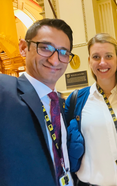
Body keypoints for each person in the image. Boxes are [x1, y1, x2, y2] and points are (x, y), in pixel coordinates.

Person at [0, 18, 74, 186]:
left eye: (63, 52)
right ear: (24, 48)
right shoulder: (5, 91)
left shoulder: (61, 105)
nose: (55, 60)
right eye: (45, 48)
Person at [65, 33, 117, 186]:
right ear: (89, 61)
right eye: (96, 57)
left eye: (108, 56)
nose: (102, 62)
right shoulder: (76, 100)